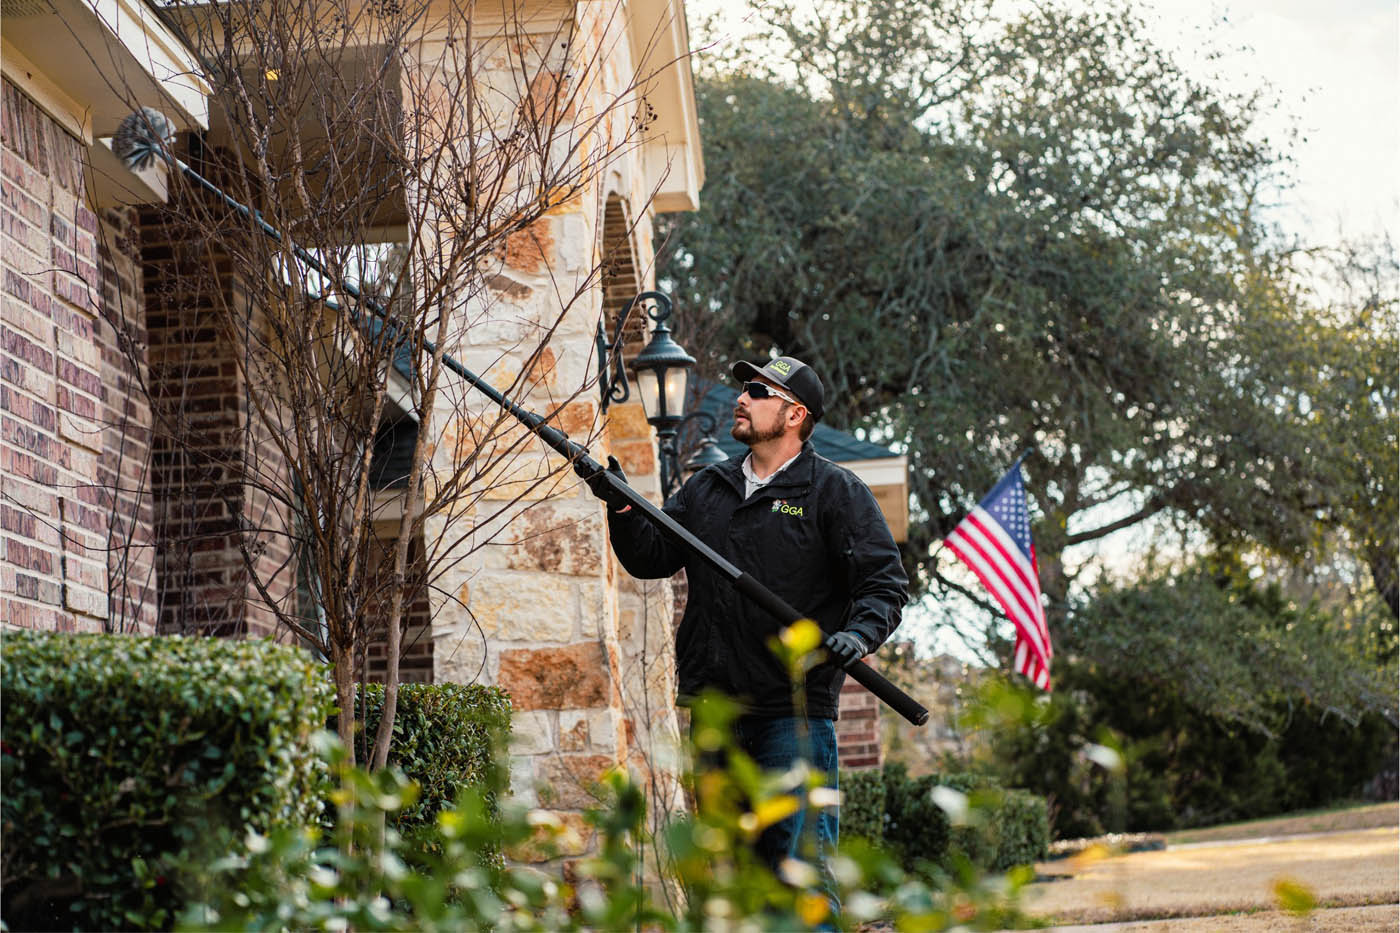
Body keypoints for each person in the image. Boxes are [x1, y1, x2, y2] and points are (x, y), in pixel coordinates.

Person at [583, 355, 908, 883]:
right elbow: (652, 558)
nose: (741, 397)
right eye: (744, 388)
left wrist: (858, 633)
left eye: (758, 391)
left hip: (793, 714)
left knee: (798, 870)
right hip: (715, 712)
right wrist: (621, 508)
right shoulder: (709, 488)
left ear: (796, 414)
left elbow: (884, 584)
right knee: (731, 877)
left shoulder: (833, 491)